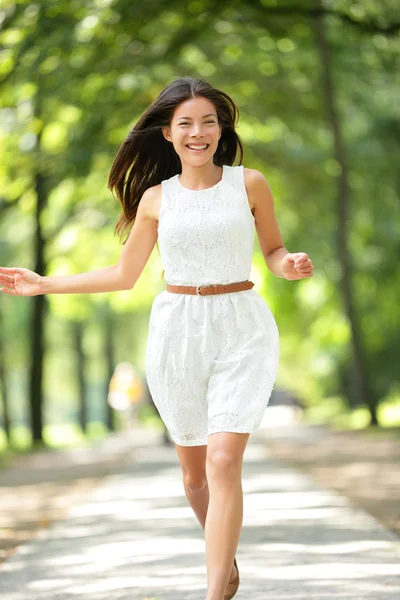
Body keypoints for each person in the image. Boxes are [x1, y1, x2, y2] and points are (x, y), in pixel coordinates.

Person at [0, 76, 314, 600]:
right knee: (195, 478)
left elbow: (275, 251)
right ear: (167, 133)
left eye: (209, 122)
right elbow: (124, 275)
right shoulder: (154, 199)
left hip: (242, 325)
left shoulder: (249, 184)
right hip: (177, 331)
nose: (199, 132)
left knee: (223, 460)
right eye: (186, 123)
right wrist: (45, 283)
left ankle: (215, 591)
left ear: (222, 129)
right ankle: (225, 558)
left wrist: (290, 265)